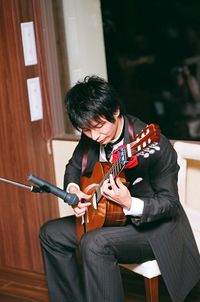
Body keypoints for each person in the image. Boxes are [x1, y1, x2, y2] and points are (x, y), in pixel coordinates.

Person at [39, 75, 200, 302]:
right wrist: (74, 190)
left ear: (115, 111)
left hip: (152, 229)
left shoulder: (154, 144)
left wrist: (129, 203)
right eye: (86, 130)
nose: (95, 136)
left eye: (98, 127)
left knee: (94, 244)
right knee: (50, 233)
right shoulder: (93, 135)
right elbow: (73, 166)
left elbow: (170, 205)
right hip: (107, 218)